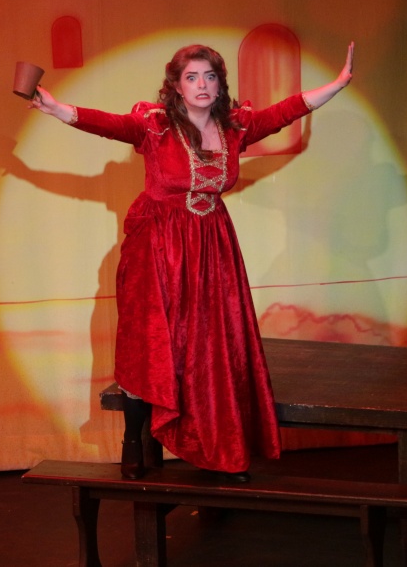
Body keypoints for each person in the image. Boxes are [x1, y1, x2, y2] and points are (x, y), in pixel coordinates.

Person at [29, 42, 355, 482]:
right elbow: (109, 125)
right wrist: (57, 109)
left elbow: (285, 112)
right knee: (153, 344)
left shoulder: (234, 127)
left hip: (211, 247)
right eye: (192, 77)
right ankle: (132, 440)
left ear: (220, 85)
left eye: (210, 76)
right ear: (177, 87)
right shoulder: (156, 126)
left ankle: (217, 445)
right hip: (158, 247)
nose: (202, 85)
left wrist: (338, 84)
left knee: (211, 346)